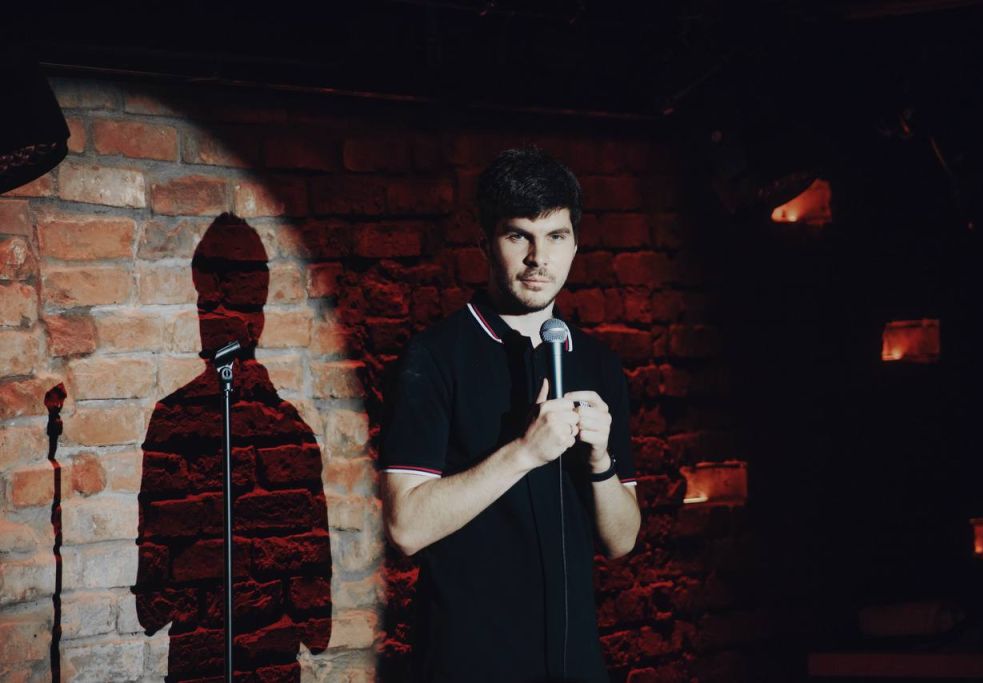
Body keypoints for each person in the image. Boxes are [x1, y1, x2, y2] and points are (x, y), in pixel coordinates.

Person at [380, 148, 641, 682]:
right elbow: (404, 527)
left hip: (575, 664)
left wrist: (600, 461)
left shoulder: (599, 363)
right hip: (470, 663)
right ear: (485, 242)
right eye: (519, 235)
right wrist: (524, 453)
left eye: (556, 236)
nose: (538, 258)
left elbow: (622, 541)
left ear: (575, 244)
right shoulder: (435, 357)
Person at [133, 214, 332, 681]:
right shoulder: (292, 429)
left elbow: (153, 601)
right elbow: (316, 620)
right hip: (227, 653)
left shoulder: (178, 419)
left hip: (241, 653)